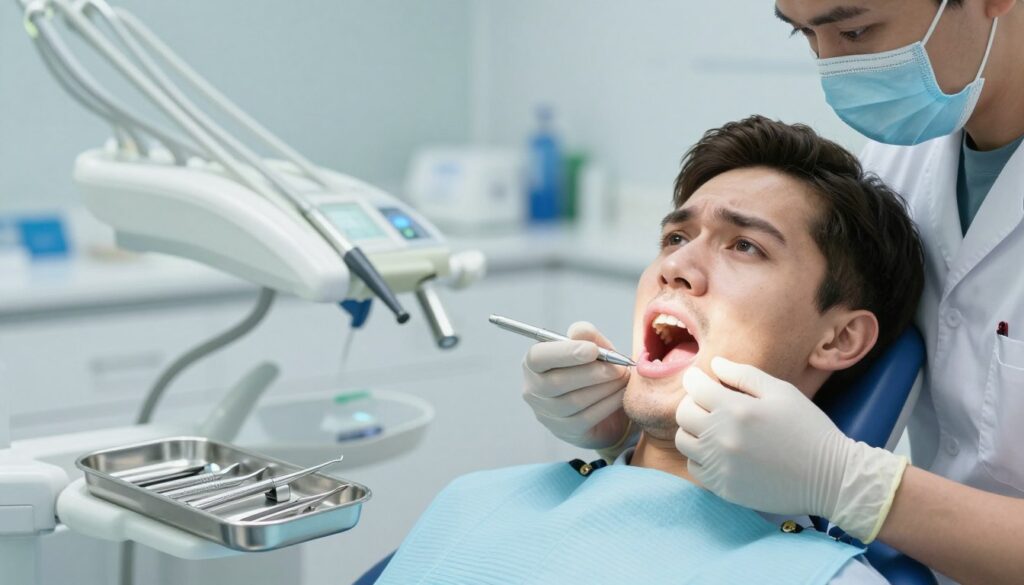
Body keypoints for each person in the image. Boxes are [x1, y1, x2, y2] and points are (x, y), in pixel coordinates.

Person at [520, 2, 1024, 584]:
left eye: (854, 29)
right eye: (805, 34)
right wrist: (635, 433)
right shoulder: (904, 152)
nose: (832, 65)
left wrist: (845, 482)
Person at [376, 116, 923, 584]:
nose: (675, 266)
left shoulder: (823, 578)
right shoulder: (472, 501)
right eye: (676, 238)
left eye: (744, 246)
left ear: (838, 338)